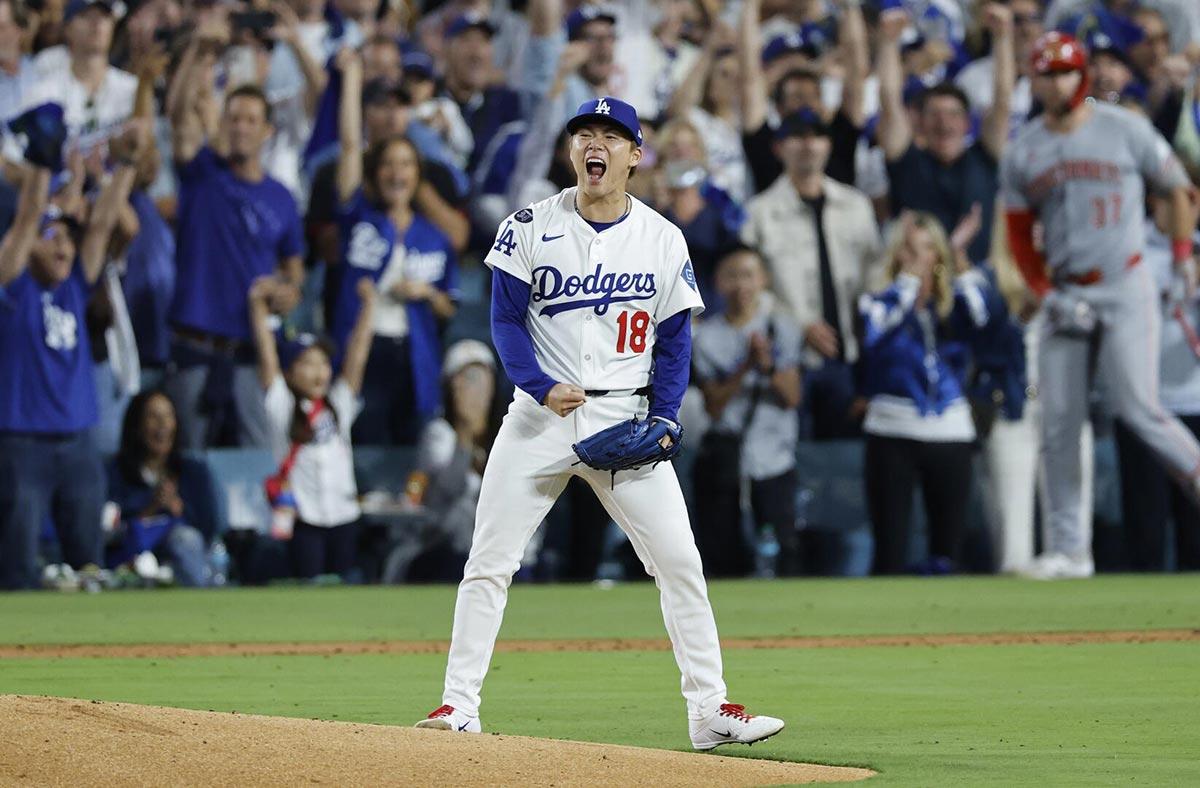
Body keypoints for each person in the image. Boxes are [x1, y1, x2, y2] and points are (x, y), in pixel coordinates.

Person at [415, 96, 784, 750]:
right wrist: (536, 384)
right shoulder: (527, 226)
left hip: (625, 415)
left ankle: (708, 712)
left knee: (678, 562)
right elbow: (504, 321)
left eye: (612, 136)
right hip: (538, 418)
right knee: (490, 561)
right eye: (586, 133)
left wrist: (667, 413)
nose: (597, 144)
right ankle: (458, 705)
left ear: (635, 156)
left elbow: (674, 342)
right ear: (571, 152)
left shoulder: (663, 238)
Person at [1001, 31, 1200, 580]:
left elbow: (1178, 190)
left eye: (1067, 70)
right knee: (1060, 423)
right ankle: (1070, 551)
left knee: (1140, 408)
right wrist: (1046, 294)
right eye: (1049, 72)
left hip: (1125, 281)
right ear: (1035, 80)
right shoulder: (1026, 148)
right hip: (1067, 289)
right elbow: (1019, 235)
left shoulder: (1125, 128)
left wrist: (1183, 256)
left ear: (1081, 72)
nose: (1059, 80)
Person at [0, 116, 143, 590]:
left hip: (78, 439)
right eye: (53, 237)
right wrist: (42, 164)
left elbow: (101, 223)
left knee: (89, 567)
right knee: (17, 570)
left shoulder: (75, 288)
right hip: (21, 442)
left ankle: (93, 654)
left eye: (67, 237)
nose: (64, 246)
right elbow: (25, 220)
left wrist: (125, 162)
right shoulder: (13, 287)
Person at [165, 48, 306, 449]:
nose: (241, 128)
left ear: (268, 131)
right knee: (191, 464)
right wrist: (197, 52)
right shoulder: (201, 174)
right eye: (233, 118)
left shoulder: (282, 198)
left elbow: (293, 265)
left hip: (253, 354)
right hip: (195, 347)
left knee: (261, 466)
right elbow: (178, 115)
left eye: (250, 120)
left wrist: (288, 290)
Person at [332, 51, 458, 445]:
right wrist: (352, 78)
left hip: (413, 355)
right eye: (388, 164)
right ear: (375, 172)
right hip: (361, 350)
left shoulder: (433, 236)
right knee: (363, 445)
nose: (397, 173)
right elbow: (351, 145)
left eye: (406, 165)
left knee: (407, 451)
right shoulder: (359, 219)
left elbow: (448, 306)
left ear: (418, 176)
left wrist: (427, 293)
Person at [858, 210, 991, 575]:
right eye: (910, 248)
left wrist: (962, 264)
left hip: (950, 428)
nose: (919, 257)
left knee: (947, 549)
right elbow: (874, 335)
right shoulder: (878, 300)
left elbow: (985, 325)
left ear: (940, 254)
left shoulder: (958, 301)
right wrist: (905, 283)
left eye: (928, 248)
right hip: (891, 427)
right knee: (890, 548)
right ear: (897, 254)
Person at [742, 109, 881, 440]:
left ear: (828, 146)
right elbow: (751, 290)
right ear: (779, 148)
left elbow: (874, 276)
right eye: (797, 137)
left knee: (847, 461)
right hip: (789, 359)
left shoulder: (856, 205)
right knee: (792, 456)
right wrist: (800, 324)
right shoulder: (760, 211)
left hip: (849, 355)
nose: (808, 145)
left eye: (817, 136)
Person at [249, 275, 375, 581]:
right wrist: (257, 305)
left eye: (323, 363)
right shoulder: (281, 407)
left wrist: (370, 306)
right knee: (308, 591)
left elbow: (357, 355)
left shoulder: (338, 404)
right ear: (290, 373)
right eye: (308, 364)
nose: (319, 371)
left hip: (344, 515)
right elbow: (267, 356)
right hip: (305, 519)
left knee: (343, 591)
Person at [692, 245, 803, 578]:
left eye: (749, 275)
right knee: (723, 552)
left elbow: (791, 396)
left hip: (774, 456)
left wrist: (767, 364)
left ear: (763, 279)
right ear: (718, 282)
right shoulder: (706, 337)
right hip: (727, 455)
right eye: (732, 276)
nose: (741, 285)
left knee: (785, 549)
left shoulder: (782, 328)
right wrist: (746, 365)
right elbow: (714, 405)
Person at [877, 3, 1014, 264]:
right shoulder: (907, 161)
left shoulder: (984, 159)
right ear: (920, 123)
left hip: (973, 285)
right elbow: (889, 100)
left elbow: (1003, 100)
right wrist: (888, 42)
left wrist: (1003, 37)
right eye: (935, 115)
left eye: (953, 114)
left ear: (967, 123)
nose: (944, 123)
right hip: (919, 286)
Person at [1113, 192, 1200, 571]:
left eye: (1193, 199)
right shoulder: (1130, 251)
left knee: (1196, 535)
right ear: (1155, 202)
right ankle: (1136, 624)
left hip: (1197, 402)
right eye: (1178, 199)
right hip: (1144, 405)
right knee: (1145, 528)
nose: (1187, 208)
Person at [407, 340, 502, 582]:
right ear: (451, 386)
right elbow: (451, 487)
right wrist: (465, 434)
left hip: (500, 550)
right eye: (467, 379)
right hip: (446, 548)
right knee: (462, 509)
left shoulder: (506, 433)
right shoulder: (439, 433)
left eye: (482, 378)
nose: (476, 388)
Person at [106, 389, 218, 586]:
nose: (162, 425)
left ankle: (198, 605)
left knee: (186, 539)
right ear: (137, 426)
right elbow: (111, 526)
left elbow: (209, 527)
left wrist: (178, 508)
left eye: (168, 416)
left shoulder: (193, 471)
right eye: (153, 417)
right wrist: (151, 509)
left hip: (182, 553)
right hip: (132, 554)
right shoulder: (116, 471)